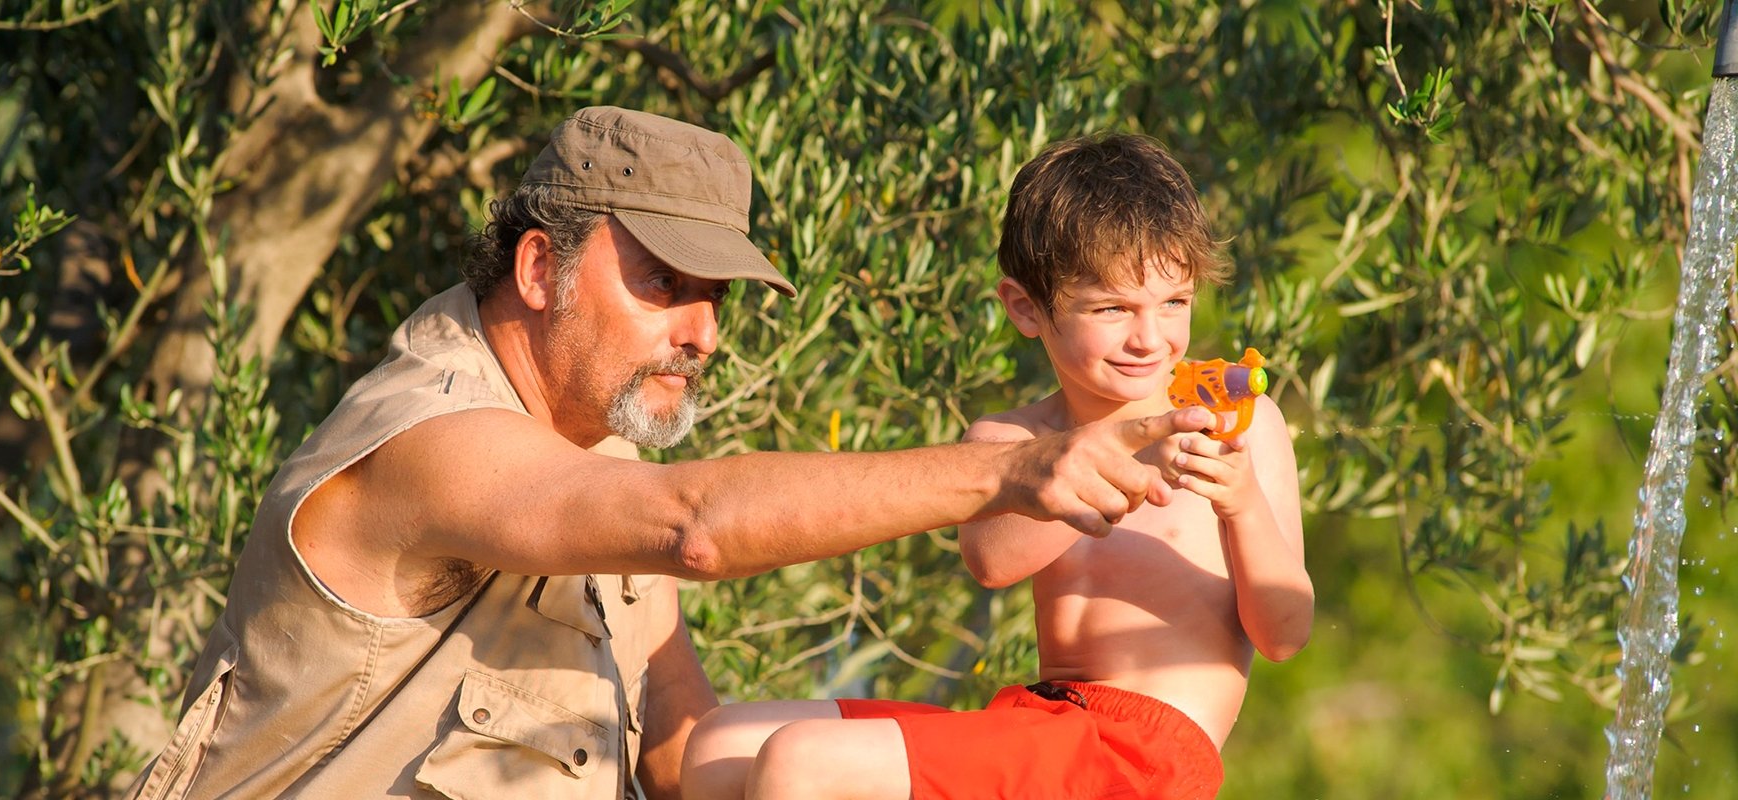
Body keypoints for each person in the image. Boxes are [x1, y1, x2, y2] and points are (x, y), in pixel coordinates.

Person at [122, 109, 1214, 800]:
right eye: (662, 282)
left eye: (714, 294)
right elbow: (695, 524)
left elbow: (681, 761)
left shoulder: (603, 491)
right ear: (540, 268)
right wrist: (1014, 470)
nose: (703, 330)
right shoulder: (427, 439)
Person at [680, 133, 1315, 800]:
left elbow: (1284, 635)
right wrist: (1117, 456)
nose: (1149, 337)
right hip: (1039, 721)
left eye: (1173, 304)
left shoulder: (1238, 422)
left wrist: (1241, 507)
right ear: (1026, 308)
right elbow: (994, 560)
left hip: (1145, 756)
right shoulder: (1012, 437)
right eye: (1113, 309)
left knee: (802, 763)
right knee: (720, 745)